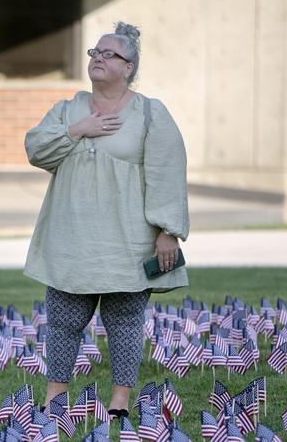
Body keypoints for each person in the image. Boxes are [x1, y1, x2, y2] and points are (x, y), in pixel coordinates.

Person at [23, 21, 190, 418]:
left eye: (108, 54)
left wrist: (168, 231)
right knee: (63, 320)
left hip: (127, 239)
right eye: (94, 53)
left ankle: (119, 400)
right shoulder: (67, 110)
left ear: (129, 66)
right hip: (72, 237)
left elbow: (167, 171)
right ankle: (55, 397)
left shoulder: (150, 112)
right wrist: (80, 130)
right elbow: (36, 149)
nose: (97, 58)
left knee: (126, 323)